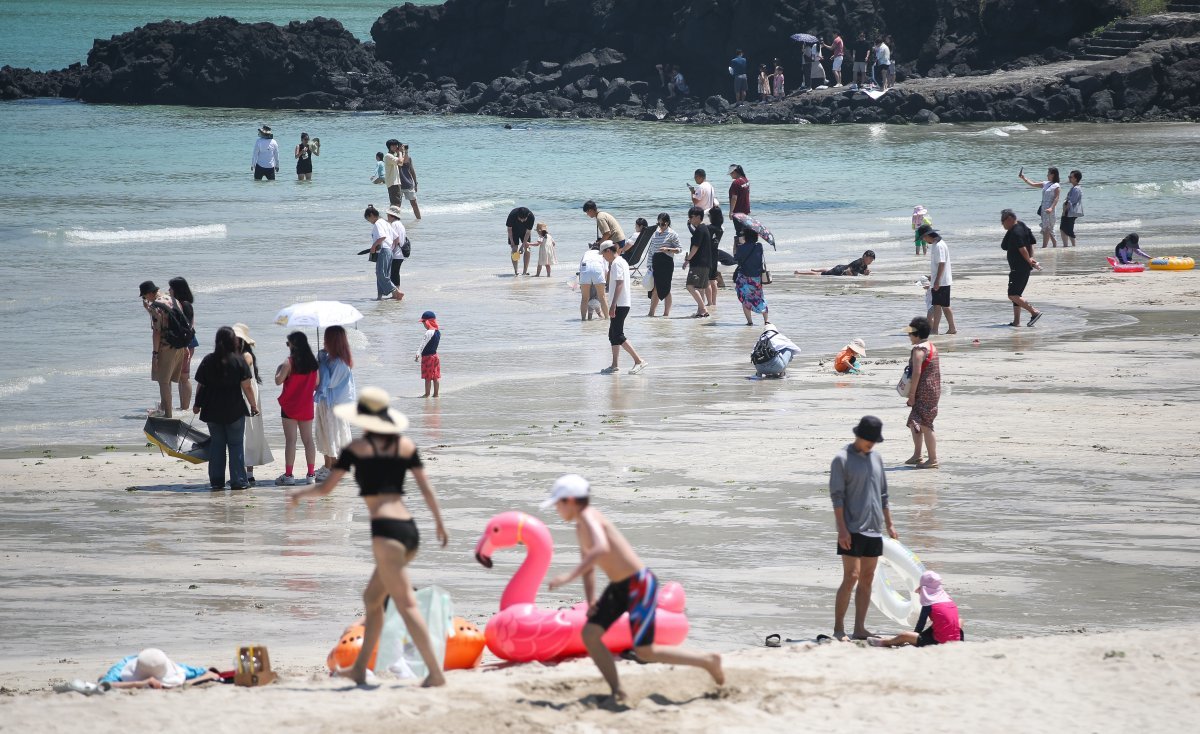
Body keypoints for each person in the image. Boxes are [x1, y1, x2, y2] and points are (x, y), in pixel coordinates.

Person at [287, 387, 449, 688]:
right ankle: (361, 669)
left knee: (406, 604)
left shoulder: (356, 450)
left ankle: (435, 673)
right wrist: (440, 523)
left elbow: (325, 490)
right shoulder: (404, 446)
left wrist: (298, 494)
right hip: (409, 530)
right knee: (372, 598)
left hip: (386, 533)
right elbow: (426, 489)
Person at [543, 474, 724, 705]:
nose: (557, 510)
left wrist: (568, 576)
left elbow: (600, 547)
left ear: (569, 500)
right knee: (590, 634)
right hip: (619, 587)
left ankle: (708, 660)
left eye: (557, 504)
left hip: (640, 584)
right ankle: (617, 690)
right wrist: (590, 602)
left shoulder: (589, 517)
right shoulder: (580, 527)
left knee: (644, 651)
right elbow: (590, 568)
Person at [830, 415, 897, 641]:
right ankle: (839, 628)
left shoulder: (876, 458)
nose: (872, 444)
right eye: (869, 439)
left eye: (874, 440)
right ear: (858, 435)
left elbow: (884, 494)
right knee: (851, 576)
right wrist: (842, 529)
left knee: (867, 577)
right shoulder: (841, 459)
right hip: (851, 528)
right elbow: (837, 497)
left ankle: (859, 628)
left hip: (873, 528)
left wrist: (889, 523)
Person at [193, 326, 258, 491]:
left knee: (217, 445)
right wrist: (253, 405)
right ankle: (238, 481)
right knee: (236, 445)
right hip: (234, 409)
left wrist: (197, 404)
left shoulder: (208, 360)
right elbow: (247, 387)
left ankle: (217, 481)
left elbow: (201, 386)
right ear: (234, 342)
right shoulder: (239, 361)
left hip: (212, 410)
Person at [871, 571, 963, 648]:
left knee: (904, 635)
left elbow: (920, 624)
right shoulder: (948, 599)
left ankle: (885, 642)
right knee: (958, 620)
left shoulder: (929, 603)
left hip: (940, 641)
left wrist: (913, 637)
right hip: (958, 638)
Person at [139, 280, 189, 419]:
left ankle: (168, 416)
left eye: (144, 296)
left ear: (149, 294)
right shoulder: (172, 299)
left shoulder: (156, 307)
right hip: (179, 345)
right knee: (169, 380)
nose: (145, 299)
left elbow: (157, 332)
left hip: (166, 347)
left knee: (163, 381)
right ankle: (166, 411)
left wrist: (155, 354)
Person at [275, 331, 319, 486]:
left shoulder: (289, 362)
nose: (288, 346)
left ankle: (289, 475)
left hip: (290, 406)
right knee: (308, 440)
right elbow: (316, 384)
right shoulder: (314, 363)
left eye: (288, 343)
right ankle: (311, 474)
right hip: (306, 406)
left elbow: (278, 381)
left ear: (293, 345)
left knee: (291, 441)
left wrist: (279, 369)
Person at [314, 325, 356, 480]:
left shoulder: (341, 363)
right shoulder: (329, 358)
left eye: (327, 339)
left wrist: (322, 365)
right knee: (325, 434)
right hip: (326, 402)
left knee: (333, 435)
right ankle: (327, 465)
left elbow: (330, 383)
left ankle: (335, 467)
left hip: (335, 405)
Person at [233, 323, 273, 486]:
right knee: (245, 432)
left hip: (247, 393)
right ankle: (246, 473)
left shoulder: (246, 356)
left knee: (248, 432)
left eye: (236, 338)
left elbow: (244, 381)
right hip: (246, 392)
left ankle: (248, 473)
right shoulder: (242, 355)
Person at [599, 242, 647, 374]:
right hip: (622, 303)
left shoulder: (616, 263)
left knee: (618, 335)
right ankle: (614, 365)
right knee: (613, 335)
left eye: (603, 253)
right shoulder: (622, 261)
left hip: (620, 304)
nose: (603, 257)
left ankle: (639, 360)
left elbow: (620, 284)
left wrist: (613, 304)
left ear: (608, 251)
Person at [903, 317, 941, 469]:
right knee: (915, 422)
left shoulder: (918, 350)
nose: (909, 336)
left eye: (910, 334)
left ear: (917, 334)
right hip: (933, 389)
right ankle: (917, 455)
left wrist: (911, 395)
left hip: (924, 390)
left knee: (925, 424)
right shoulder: (931, 347)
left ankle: (933, 460)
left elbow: (916, 373)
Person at [1000, 209, 1044, 327]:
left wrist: (1029, 259)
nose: (1002, 224)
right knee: (1017, 294)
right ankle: (1016, 321)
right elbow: (1031, 242)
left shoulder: (1016, 232)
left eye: (1003, 222)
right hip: (1022, 267)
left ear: (1009, 219)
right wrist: (1031, 258)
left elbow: (1022, 248)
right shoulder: (1021, 225)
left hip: (1018, 268)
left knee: (1012, 295)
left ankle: (1034, 312)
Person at [99, 648, 218, 689]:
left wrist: (187, 683)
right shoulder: (121, 668)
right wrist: (140, 683)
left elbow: (212, 674)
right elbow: (103, 684)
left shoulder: (167, 665)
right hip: (137, 670)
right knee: (103, 676)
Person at [919, 226, 957, 335]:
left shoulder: (939, 245)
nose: (924, 240)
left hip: (942, 281)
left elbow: (942, 263)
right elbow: (938, 265)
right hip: (941, 280)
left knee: (942, 306)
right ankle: (939, 329)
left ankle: (945, 328)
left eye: (923, 238)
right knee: (939, 305)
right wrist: (933, 279)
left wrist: (937, 281)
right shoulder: (937, 244)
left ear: (927, 236)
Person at [167, 276, 197, 413]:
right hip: (185, 341)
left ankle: (185, 407)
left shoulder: (185, 305)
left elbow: (188, 326)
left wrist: (186, 346)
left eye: (171, 288)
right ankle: (182, 406)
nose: (169, 290)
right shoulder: (179, 303)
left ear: (177, 289)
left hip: (187, 342)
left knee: (184, 376)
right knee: (180, 376)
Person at [645, 213, 681, 317]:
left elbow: (679, 249)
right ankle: (651, 313)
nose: (661, 225)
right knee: (655, 288)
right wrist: (649, 265)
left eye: (663, 223)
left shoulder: (672, 234)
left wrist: (668, 249)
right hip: (656, 262)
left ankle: (666, 314)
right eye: (659, 223)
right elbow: (651, 250)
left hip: (666, 263)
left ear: (668, 223)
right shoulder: (655, 233)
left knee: (666, 288)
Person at [365, 205, 403, 301]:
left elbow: (382, 237)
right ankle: (379, 297)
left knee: (380, 273)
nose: (369, 222)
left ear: (372, 215)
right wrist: (392, 248)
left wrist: (373, 247)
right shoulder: (385, 222)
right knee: (383, 274)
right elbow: (396, 237)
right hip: (389, 251)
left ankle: (395, 291)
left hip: (383, 251)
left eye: (368, 219)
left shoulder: (378, 223)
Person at [1018, 166, 1061, 248]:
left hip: (1050, 208)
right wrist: (1024, 178)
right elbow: (1032, 184)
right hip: (1044, 208)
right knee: (1048, 227)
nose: (1047, 175)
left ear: (1053, 175)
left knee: (1047, 228)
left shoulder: (1056, 186)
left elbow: (1056, 198)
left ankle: (1044, 247)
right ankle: (1055, 245)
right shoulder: (1046, 183)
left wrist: (1051, 208)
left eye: (1048, 173)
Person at [733, 228, 769, 326]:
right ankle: (766, 321)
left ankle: (750, 322)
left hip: (744, 277)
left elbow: (735, 258)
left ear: (745, 236)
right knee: (760, 297)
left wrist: (736, 245)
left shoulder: (741, 247)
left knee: (746, 299)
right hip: (756, 277)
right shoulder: (759, 246)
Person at [682, 206, 712, 318]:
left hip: (698, 264)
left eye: (691, 217)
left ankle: (703, 309)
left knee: (690, 286)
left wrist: (687, 260)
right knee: (700, 288)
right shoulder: (704, 228)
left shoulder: (700, 229)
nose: (689, 219)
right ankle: (700, 311)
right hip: (705, 263)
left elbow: (695, 247)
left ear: (698, 217)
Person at [578, 245, 609, 320]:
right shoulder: (602, 254)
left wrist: (581, 284)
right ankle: (607, 318)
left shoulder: (586, 253)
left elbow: (580, 270)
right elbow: (606, 271)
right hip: (597, 268)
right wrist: (604, 284)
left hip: (585, 268)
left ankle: (583, 319)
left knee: (584, 298)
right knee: (602, 297)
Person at [415, 311, 441, 398]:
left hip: (427, 357)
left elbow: (423, 344)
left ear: (428, 322)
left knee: (428, 377)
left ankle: (427, 394)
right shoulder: (438, 332)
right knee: (435, 377)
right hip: (435, 356)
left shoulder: (429, 332)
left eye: (424, 322)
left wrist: (418, 353)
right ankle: (436, 394)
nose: (423, 324)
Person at [794, 250, 875, 276]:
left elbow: (863, 270)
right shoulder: (858, 262)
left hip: (840, 267)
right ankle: (799, 272)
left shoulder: (864, 264)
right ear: (864, 256)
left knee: (828, 271)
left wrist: (866, 273)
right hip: (839, 270)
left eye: (872, 260)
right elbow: (848, 271)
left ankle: (815, 269)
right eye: (870, 259)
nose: (871, 261)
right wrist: (853, 277)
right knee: (819, 275)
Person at [506, 206, 536, 276]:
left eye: (524, 219)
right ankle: (516, 271)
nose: (522, 221)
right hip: (513, 231)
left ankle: (525, 271)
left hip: (525, 232)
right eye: (520, 219)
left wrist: (522, 246)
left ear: (527, 216)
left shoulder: (531, 217)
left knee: (527, 249)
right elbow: (509, 229)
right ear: (517, 215)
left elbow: (528, 232)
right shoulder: (512, 215)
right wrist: (512, 242)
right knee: (514, 249)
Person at [707, 207, 726, 306]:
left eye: (709, 215)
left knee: (707, 280)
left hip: (707, 254)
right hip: (715, 253)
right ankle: (713, 302)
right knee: (713, 279)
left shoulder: (709, 228)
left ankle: (709, 302)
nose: (708, 217)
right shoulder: (720, 229)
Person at [397, 143, 421, 220]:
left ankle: (419, 220)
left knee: (414, 204)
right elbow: (401, 162)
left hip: (408, 184)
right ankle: (395, 222)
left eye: (403, 148)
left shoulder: (409, 158)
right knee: (397, 205)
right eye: (401, 148)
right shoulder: (394, 158)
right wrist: (402, 153)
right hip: (398, 185)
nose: (403, 149)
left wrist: (415, 183)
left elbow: (412, 171)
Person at [386, 204, 408, 289]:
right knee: (396, 273)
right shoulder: (400, 224)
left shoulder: (394, 224)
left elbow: (395, 240)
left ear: (392, 215)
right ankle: (397, 290)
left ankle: (396, 293)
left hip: (396, 253)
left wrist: (389, 251)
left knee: (392, 274)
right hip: (401, 254)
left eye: (388, 215)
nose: (387, 217)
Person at [1060, 170, 1083, 247]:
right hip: (1070, 212)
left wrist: (1064, 210)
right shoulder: (1075, 188)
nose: (1069, 178)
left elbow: (1071, 202)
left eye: (1071, 177)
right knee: (1065, 229)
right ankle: (1068, 246)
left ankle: (1070, 246)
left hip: (1070, 212)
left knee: (1066, 230)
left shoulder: (1076, 189)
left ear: (1076, 179)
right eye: (1069, 176)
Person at [384, 139, 405, 208]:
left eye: (396, 145)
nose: (396, 147)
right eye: (393, 145)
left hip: (396, 183)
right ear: (389, 147)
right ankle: (393, 218)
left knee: (397, 203)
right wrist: (400, 152)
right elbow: (400, 162)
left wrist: (402, 152)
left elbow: (401, 163)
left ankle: (394, 217)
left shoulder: (393, 156)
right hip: (393, 183)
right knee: (395, 204)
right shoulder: (388, 156)